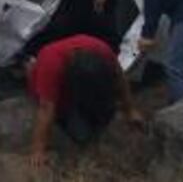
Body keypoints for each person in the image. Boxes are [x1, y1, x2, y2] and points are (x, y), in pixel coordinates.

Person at [26, 34, 142, 167]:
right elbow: (46, 108)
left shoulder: (103, 51)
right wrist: (38, 149)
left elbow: (120, 78)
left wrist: (131, 110)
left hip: (90, 85)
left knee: (105, 113)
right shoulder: (51, 65)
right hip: (61, 96)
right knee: (82, 134)